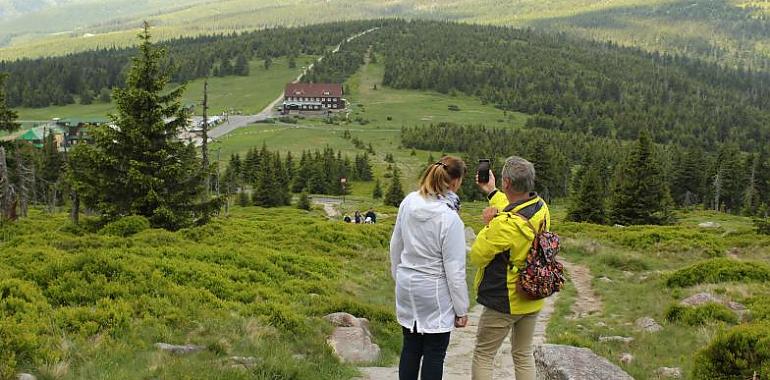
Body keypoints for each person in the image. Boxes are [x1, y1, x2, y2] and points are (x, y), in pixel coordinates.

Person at [470, 156, 551, 380]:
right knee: (523, 353)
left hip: (504, 299)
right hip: (532, 294)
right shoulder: (540, 207)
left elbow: (477, 255)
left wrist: (489, 224)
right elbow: (512, 211)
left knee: (484, 354)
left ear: (507, 183)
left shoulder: (504, 225)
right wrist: (492, 193)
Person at [390, 156, 470, 380]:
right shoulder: (450, 218)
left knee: (411, 347)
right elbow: (454, 270)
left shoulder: (408, 202)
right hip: (434, 291)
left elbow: (396, 244)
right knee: (434, 353)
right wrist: (461, 309)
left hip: (407, 284)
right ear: (454, 182)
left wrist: (398, 275)